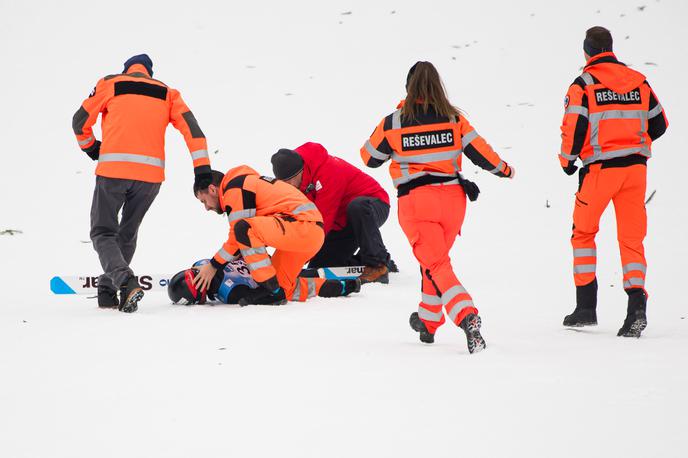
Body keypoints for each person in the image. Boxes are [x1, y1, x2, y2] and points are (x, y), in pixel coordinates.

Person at [361, 61, 515, 354]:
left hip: (418, 202)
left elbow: (369, 157)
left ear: (408, 88)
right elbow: (481, 153)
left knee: (437, 264)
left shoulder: (394, 122)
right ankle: (429, 322)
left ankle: (466, 315)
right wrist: (505, 170)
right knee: (433, 262)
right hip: (453, 202)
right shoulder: (454, 119)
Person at [72, 54, 212, 313]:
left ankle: (125, 282)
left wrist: (92, 148)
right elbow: (194, 132)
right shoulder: (168, 93)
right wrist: (202, 170)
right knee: (127, 232)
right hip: (150, 178)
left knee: (103, 232)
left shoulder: (111, 83)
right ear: (149, 72)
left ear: (127, 70)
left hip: (113, 171)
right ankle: (107, 290)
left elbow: (79, 122)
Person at [559, 27, 668, 337]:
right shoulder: (639, 81)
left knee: (583, 233)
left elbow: (574, 128)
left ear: (586, 51)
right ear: (610, 47)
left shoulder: (584, 85)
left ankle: (585, 307)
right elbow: (660, 123)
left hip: (601, 171)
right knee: (631, 239)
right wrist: (635, 141)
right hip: (636, 171)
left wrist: (567, 162)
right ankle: (636, 305)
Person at [192, 166, 360, 304]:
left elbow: (240, 234)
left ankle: (269, 289)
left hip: (302, 227)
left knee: (243, 229)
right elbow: (250, 240)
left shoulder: (234, 187)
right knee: (283, 290)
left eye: (203, 201)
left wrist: (213, 266)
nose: (206, 207)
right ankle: (341, 286)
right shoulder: (246, 184)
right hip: (307, 234)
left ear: (212, 189)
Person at [271, 142, 393, 284]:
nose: (291, 185)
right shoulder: (295, 183)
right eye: (285, 182)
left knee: (357, 207)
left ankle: (377, 265)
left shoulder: (328, 171)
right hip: (340, 221)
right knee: (320, 267)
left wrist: (301, 255)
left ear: (302, 170)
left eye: (292, 179)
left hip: (373, 205)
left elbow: (322, 221)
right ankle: (373, 260)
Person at [168, 259, 360, 305]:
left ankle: (348, 286)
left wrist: (274, 294)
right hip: (269, 263)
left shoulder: (229, 293)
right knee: (305, 272)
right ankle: (347, 268)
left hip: (273, 282)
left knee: (308, 287)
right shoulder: (204, 264)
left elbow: (257, 297)